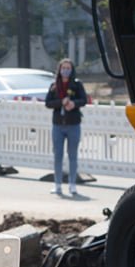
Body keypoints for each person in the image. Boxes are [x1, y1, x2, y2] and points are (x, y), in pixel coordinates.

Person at [44, 58, 90, 198]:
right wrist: (60, 102)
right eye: (63, 68)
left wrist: (74, 104)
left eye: (68, 68)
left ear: (72, 70)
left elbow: (84, 100)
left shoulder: (76, 84)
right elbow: (48, 103)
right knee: (58, 155)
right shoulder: (54, 86)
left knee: (73, 155)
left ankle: (72, 185)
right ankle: (57, 185)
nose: (66, 70)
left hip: (73, 124)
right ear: (59, 69)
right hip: (58, 124)